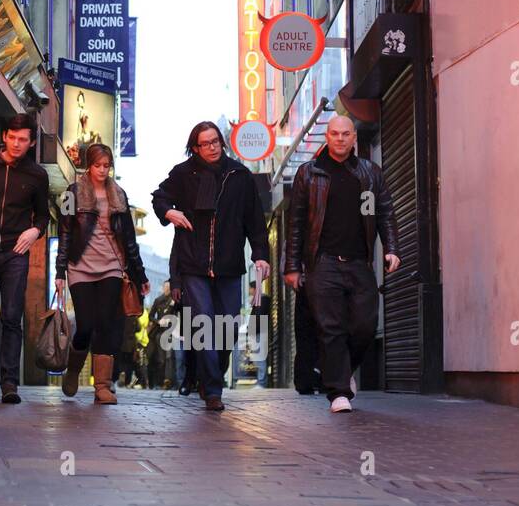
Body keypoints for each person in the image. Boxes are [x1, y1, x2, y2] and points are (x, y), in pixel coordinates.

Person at [284, 115, 400, 414]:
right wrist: (292, 266)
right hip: (322, 264)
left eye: (345, 134)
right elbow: (295, 223)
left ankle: (342, 369)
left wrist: (391, 249)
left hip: (359, 263)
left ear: (353, 138)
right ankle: (338, 392)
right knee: (330, 327)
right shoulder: (309, 174)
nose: (339, 139)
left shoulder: (369, 173)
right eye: (334, 133)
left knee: (365, 324)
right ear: (327, 137)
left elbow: (385, 212)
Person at [152, 121, 270, 411]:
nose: (212, 147)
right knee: (204, 322)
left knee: (228, 326)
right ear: (195, 147)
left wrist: (260, 255)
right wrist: (171, 213)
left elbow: (255, 220)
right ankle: (213, 390)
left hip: (229, 265)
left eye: (215, 141)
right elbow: (160, 197)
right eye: (205, 143)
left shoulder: (239, 175)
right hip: (194, 263)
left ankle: (210, 374)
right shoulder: (183, 174)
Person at [55, 142, 150, 404]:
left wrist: (140, 276)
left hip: (112, 266)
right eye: (97, 165)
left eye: (107, 166)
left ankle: (102, 386)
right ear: (88, 164)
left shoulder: (119, 194)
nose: (102, 170)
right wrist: (60, 270)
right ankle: (73, 368)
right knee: (85, 325)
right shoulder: (71, 193)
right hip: (80, 267)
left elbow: (129, 239)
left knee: (106, 325)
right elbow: (64, 233)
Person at [0, 113, 50, 405]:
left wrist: (35, 231)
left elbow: (43, 215)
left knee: (11, 317)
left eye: (23, 140)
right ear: (5, 136)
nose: (17, 144)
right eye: (12, 137)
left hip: (15, 254)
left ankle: (9, 382)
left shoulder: (37, 175)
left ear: (31, 143)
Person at [246, 281, 272, 387]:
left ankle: (262, 382)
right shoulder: (258, 300)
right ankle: (261, 381)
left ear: (254, 289)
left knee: (260, 357)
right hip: (257, 332)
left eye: (250, 288)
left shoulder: (262, 299)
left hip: (259, 332)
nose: (249, 290)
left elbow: (258, 317)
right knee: (258, 357)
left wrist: (251, 330)